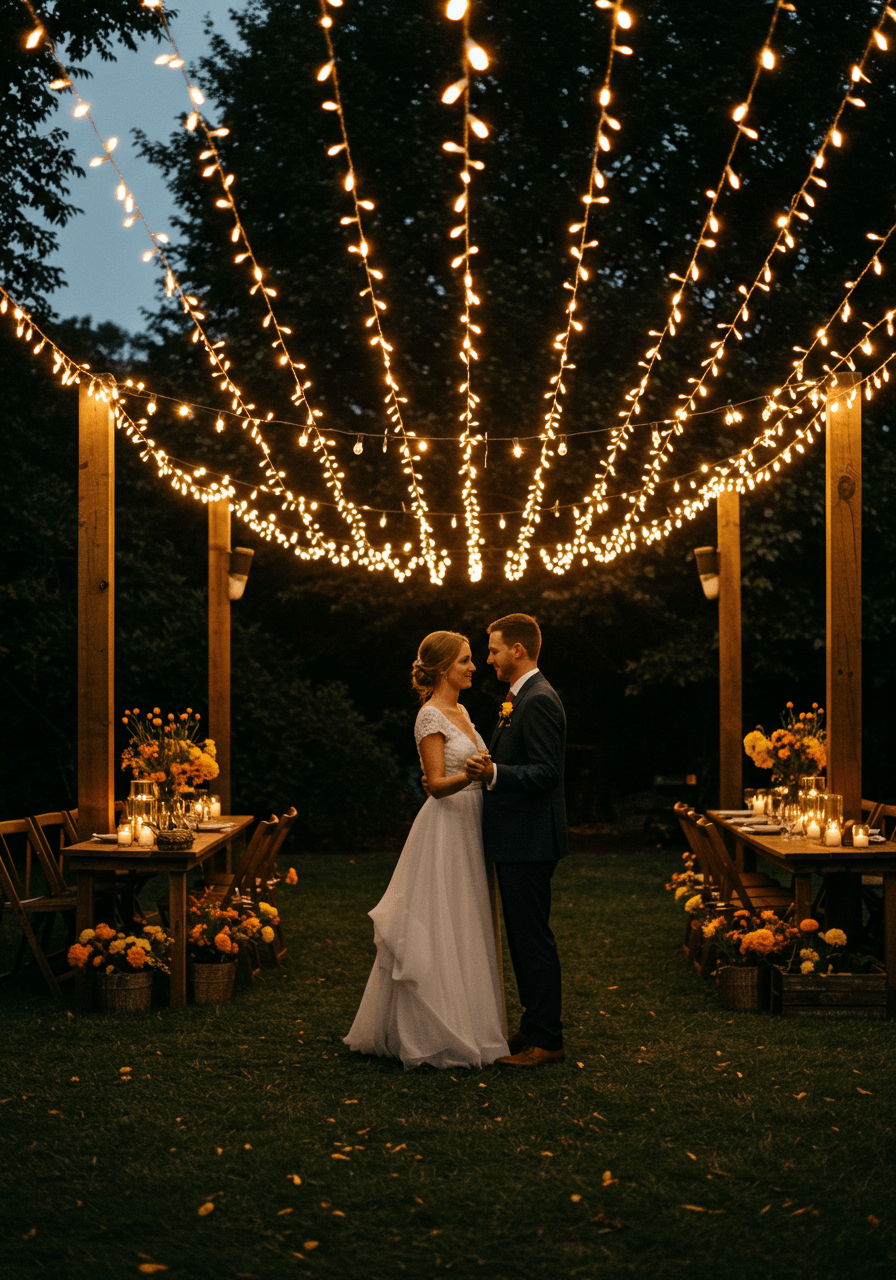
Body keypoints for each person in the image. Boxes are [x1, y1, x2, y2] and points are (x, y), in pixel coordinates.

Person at [343, 631, 509, 1070]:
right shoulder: (429, 717)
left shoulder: (464, 711)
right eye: (465, 661)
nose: (473, 667)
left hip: (472, 825)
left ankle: (472, 1022)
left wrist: (483, 770)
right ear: (441, 669)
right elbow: (435, 785)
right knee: (442, 919)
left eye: (473, 660)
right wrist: (472, 776)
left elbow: (476, 764)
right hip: (446, 826)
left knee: (468, 919)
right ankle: (432, 1029)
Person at [465, 613, 567, 1068]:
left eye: (494, 649)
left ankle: (547, 1039)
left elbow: (547, 773)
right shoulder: (519, 698)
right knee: (523, 939)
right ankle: (531, 1027)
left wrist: (495, 774)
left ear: (518, 651)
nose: (489, 659)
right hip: (515, 839)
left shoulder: (539, 700)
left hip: (529, 840)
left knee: (533, 939)